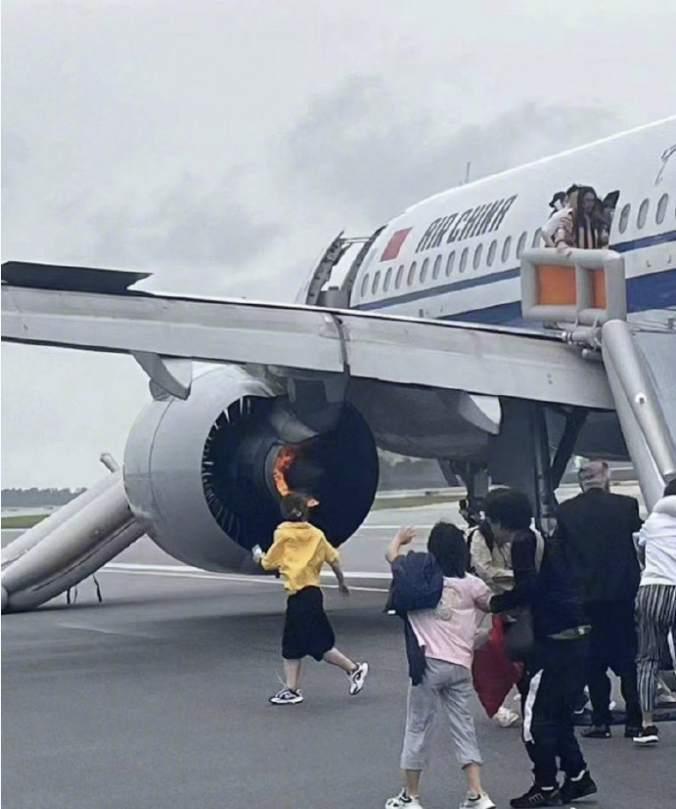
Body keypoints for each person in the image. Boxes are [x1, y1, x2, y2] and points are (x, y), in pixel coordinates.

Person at [486, 488, 597, 809]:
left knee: (535, 719)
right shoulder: (540, 538)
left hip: (554, 642)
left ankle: (545, 785)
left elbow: (528, 588)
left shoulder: (522, 542)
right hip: (577, 634)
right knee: (558, 714)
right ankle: (577, 775)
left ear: (499, 520)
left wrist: (496, 603)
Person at [385, 522, 496, 809]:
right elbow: (495, 604)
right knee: (463, 726)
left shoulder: (418, 579)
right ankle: (476, 792)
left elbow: (392, 557)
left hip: (428, 664)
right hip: (461, 664)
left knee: (418, 727)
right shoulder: (472, 585)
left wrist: (399, 540)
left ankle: (410, 795)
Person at [252, 492, 368, 705]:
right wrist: (341, 582)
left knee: (318, 645)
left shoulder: (283, 533)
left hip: (299, 595)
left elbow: (269, 563)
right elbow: (334, 559)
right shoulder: (317, 534)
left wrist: (259, 556)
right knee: (291, 646)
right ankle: (291, 689)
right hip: (312, 594)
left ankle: (354, 669)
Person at [556, 460, 643, 739]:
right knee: (627, 657)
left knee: (592, 660)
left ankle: (601, 720)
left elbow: (561, 554)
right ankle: (635, 719)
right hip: (621, 593)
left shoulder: (566, 511)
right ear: (606, 477)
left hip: (586, 595)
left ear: (581, 481)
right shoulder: (626, 506)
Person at [467, 511, 521, 728]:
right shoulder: (479, 538)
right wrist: (519, 578)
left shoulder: (511, 538)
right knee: (474, 646)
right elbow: (486, 572)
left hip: (500, 598)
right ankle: (495, 706)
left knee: (510, 647)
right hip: (478, 596)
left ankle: (519, 688)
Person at [634, 478, 676, 745]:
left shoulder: (652, 522)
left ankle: (647, 724)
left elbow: (641, 551)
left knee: (648, 659)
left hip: (653, 589)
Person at [553, 185, 607, 251]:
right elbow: (561, 229)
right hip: (577, 255)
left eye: (592, 201)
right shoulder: (572, 216)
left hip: (593, 255)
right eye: (587, 200)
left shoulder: (596, 219)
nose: (590, 204)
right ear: (581, 200)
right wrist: (560, 242)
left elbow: (603, 239)